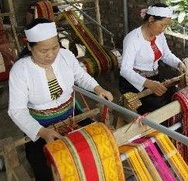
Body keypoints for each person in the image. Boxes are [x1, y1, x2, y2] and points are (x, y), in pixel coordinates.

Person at [8, 18, 113, 181]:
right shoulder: (20, 70)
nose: (51, 55)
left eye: (55, 47)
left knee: (97, 147)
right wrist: (42, 132)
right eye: (43, 51)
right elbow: (17, 110)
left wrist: (98, 88)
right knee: (43, 166)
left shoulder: (65, 55)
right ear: (29, 47)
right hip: (40, 123)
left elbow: (80, 75)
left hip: (71, 114)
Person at [119, 3, 186, 115]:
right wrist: (148, 83)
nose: (163, 29)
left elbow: (166, 55)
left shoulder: (160, 36)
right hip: (134, 84)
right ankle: (159, 131)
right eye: (162, 25)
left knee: (176, 97)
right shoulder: (133, 39)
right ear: (151, 19)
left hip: (154, 79)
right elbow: (125, 70)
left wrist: (179, 64)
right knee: (158, 109)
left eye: (166, 26)